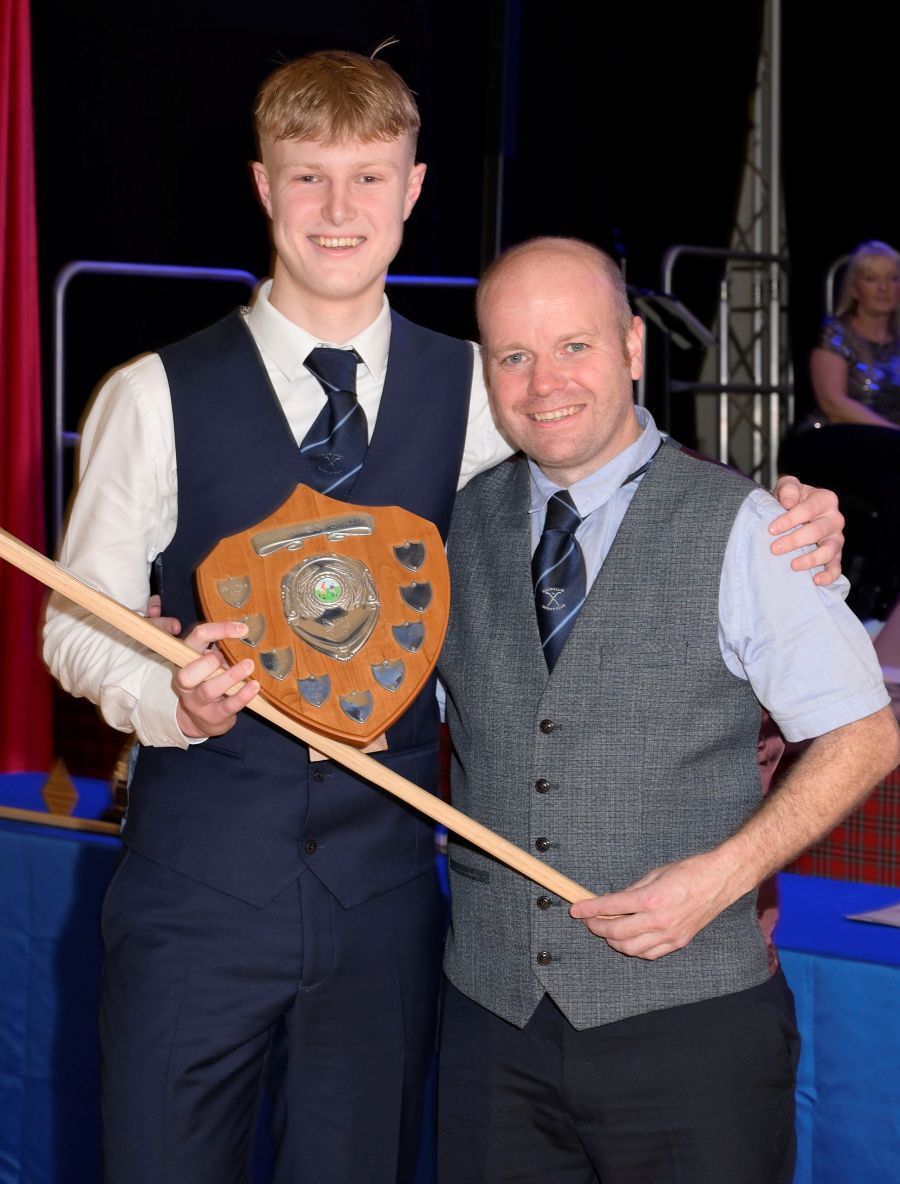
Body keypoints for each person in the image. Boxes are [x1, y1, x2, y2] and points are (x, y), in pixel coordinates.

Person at [43, 51, 843, 1184]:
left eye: (368, 177)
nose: (337, 209)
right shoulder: (150, 394)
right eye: (308, 176)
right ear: (264, 187)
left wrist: (787, 510)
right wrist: (162, 694)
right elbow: (75, 624)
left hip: (390, 918)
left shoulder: (485, 385)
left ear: (413, 189)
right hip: (194, 904)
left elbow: (616, 479)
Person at [436, 237, 900, 1184]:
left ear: (634, 347)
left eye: (574, 346)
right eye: (512, 355)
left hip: (694, 1034)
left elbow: (867, 733)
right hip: (492, 1032)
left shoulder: (750, 527)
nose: (543, 382)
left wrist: (722, 876)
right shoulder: (452, 529)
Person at [810, 239, 900, 427]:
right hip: (843, 442)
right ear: (854, 289)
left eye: (893, 278)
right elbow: (833, 403)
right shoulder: (835, 334)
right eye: (871, 279)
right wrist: (892, 432)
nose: (883, 288)